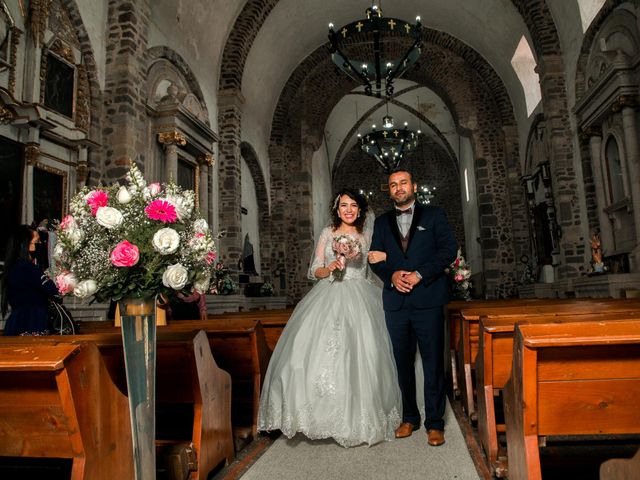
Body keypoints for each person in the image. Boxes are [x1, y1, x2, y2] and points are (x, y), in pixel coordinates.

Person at [258, 189, 401, 447]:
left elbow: (379, 262)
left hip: (361, 296)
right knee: (310, 351)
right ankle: (315, 416)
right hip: (328, 293)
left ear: (360, 210)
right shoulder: (327, 234)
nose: (348, 209)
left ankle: (360, 416)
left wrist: (367, 256)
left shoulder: (368, 235)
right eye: (343, 205)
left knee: (364, 352)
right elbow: (314, 269)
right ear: (337, 209)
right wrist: (330, 267)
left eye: (353, 205)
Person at [368, 169, 457, 447]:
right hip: (396, 303)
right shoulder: (381, 223)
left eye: (403, 183)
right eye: (393, 185)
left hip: (428, 298)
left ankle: (434, 423)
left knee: (432, 362)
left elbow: (448, 250)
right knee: (402, 362)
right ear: (390, 190)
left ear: (414, 186)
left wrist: (419, 274)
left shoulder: (434, 215)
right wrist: (392, 276)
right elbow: (374, 257)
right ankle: (410, 418)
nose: (398, 188)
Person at [1, 224, 60, 335]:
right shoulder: (28, 268)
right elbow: (53, 291)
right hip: (34, 323)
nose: (40, 245)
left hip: (17, 323)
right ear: (26, 244)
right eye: (37, 242)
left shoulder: (13, 267)